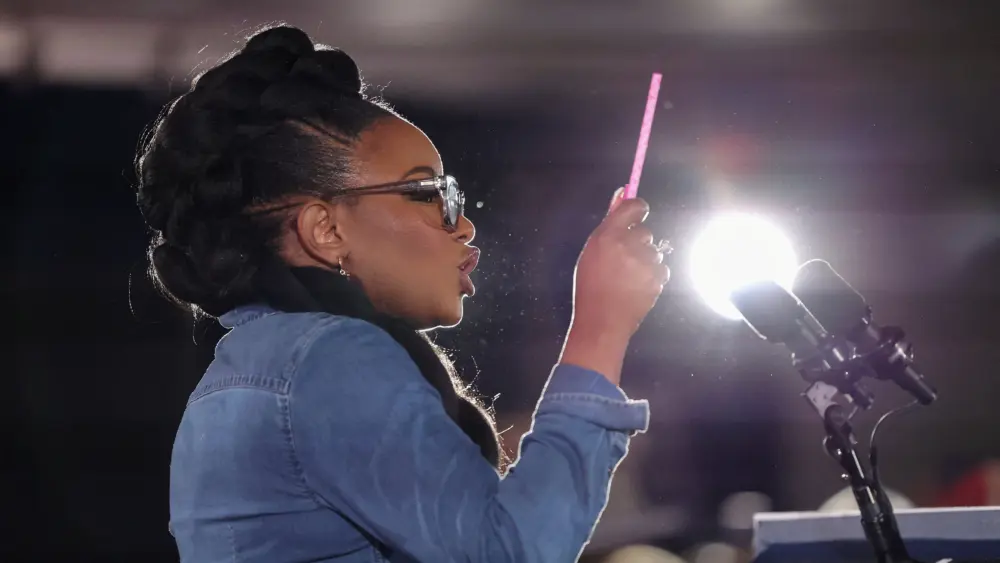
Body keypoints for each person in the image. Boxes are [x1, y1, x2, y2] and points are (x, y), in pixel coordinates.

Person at [137, 25, 669, 563]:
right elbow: (507, 551)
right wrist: (601, 328)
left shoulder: (251, 365)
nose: (462, 227)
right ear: (326, 230)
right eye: (427, 193)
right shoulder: (329, 359)